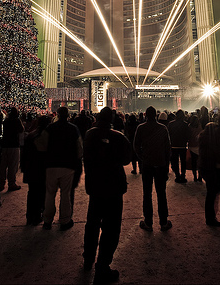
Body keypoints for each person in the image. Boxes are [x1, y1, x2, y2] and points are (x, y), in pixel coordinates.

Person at [83, 106, 131, 284]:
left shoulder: (89, 135)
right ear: (112, 119)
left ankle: (88, 259)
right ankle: (102, 267)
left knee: (92, 224)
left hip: (94, 187)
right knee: (111, 229)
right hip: (113, 188)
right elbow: (127, 159)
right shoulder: (118, 136)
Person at [36, 106, 83, 231]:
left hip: (51, 165)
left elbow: (41, 145)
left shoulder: (50, 128)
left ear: (57, 114)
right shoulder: (73, 129)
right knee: (65, 194)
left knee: (50, 194)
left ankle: (47, 220)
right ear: (67, 115)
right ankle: (65, 220)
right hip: (68, 165)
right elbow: (79, 149)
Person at [134, 106, 172, 232]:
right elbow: (168, 149)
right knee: (161, 194)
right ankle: (164, 222)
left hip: (147, 165)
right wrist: (166, 165)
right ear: (156, 115)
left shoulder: (141, 128)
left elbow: (135, 145)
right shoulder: (163, 128)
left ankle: (148, 222)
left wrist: (142, 157)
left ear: (145, 115)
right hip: (160, 165)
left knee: (147, 194)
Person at [22, 114, 51, 225]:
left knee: (32, 192)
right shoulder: (48, 136)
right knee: (42, 192)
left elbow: (24, 155)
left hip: (31, 169)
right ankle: (39, 214)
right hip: (42, 169)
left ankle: (30, 216)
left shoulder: (30, 135)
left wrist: (24, 168)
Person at [0, 107, 24, 192]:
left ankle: (1, 183)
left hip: (4, 145)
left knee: (3, 165)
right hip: (13, 145)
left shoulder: (6, 121)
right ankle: (11, 183)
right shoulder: (16, 120)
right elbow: (21, 129)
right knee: (12, 165)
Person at [168, 109, 190, 183]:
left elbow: (169, 135)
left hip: (174, 145)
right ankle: (183, 176)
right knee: (183, 162)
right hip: (183, 146)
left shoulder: (171, 124)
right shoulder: (185, 124)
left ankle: (177, 176)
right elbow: (187, 135)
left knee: (175, 162)